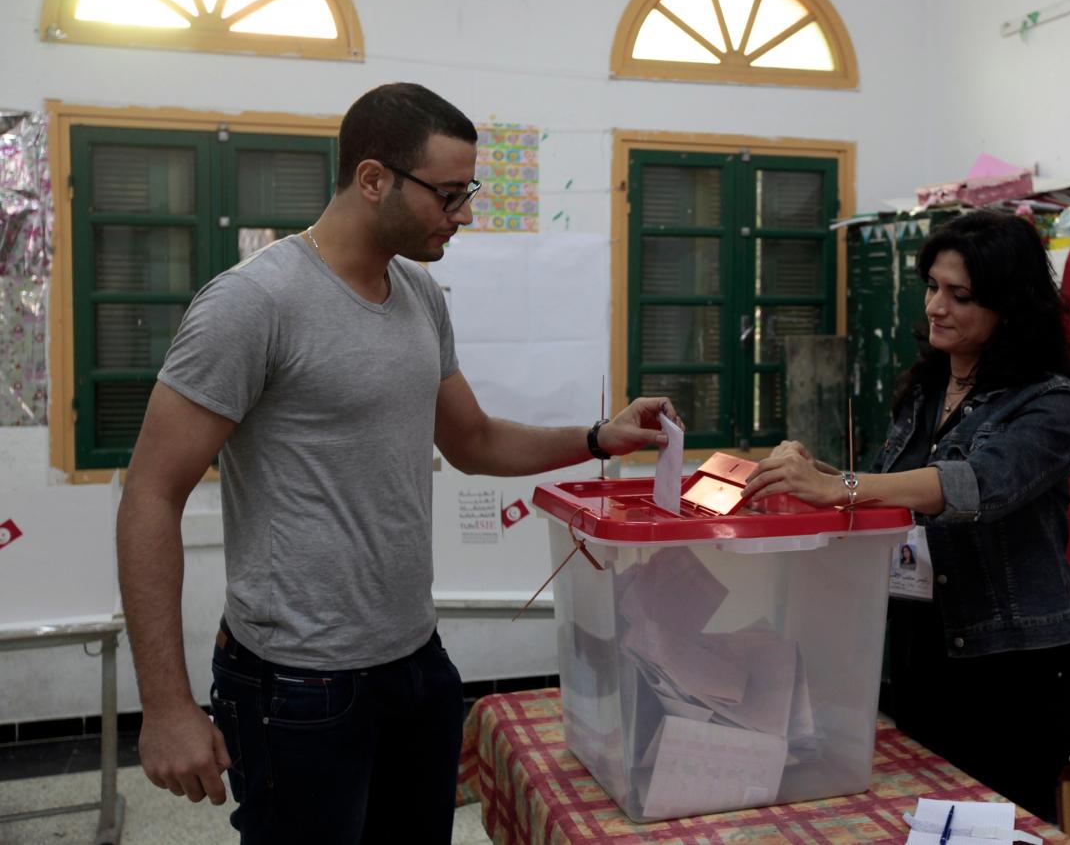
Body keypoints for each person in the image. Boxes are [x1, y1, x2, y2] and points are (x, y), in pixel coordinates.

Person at [116, 82, 680, 844]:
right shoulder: (253, 304)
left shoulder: (419, 293)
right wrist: (164, 705)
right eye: (448, 195)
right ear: (374, 179)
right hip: (296, 685)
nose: (465, 214)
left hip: (415, 662)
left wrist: (594, 437)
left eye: (467, 192)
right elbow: (150, 493)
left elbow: (473, 441)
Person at [742, 211, 1070, 822]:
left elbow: (972, 484)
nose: (936, 307)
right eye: (932, 286)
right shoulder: (928, 389)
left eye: (960, 295)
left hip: (1014, 667)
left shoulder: (1048, 400)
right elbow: (891, 492)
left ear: (1010, 306)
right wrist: (815, 472)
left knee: (998, 825)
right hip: (924, 652)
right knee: (927, 818)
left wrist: (838, 488)